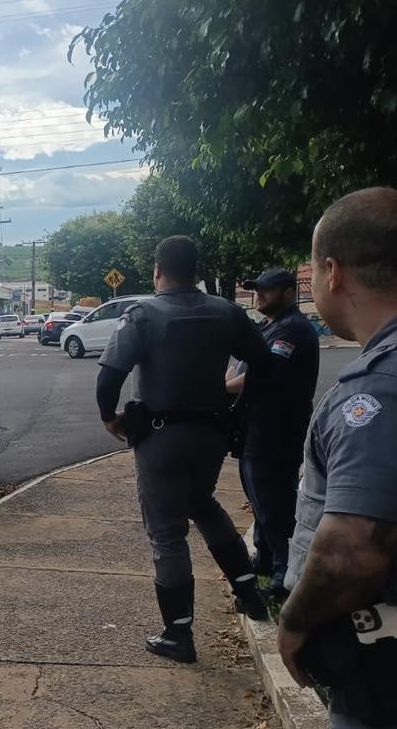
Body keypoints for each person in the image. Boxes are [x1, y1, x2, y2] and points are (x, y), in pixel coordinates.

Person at [277, 187, 397, 729]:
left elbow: (351, 552)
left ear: (333, 272)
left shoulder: (380, 388)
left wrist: (296, 621)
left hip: (393, 684)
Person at [96, 235, 272, 664]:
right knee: (202, 504)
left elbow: (109, 377)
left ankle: (178, 635)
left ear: (157, 270)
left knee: (167, 532)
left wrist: (109, 418)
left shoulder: (142, 315)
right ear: (195, 270)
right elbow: (263, 364)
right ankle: (249, 592)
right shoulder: (227, 312)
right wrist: (235, 408)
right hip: (212, 434)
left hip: (161, 436)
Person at [226, 268, 320, 598]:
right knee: (259, 497)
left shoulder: (292, 329)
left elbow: (264, 373)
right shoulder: (271, 327)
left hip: (277, 429)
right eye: (256, 289)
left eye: (267, 289)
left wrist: (220, 387)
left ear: (289, 291)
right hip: (257, 427)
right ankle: (265, 558)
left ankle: (284, 571)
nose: (259, 294)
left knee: (274, 501)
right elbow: (244, 363)